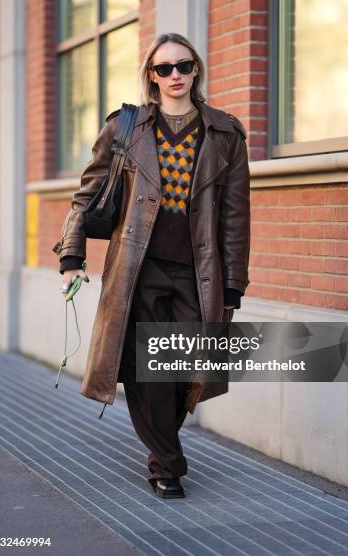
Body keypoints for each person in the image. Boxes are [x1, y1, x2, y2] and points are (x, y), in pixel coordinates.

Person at [54, 32, 250, 499]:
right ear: (151, 76)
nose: (175, 76)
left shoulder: (224, 133)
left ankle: (165, 450)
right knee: (147, 372)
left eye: (183, 66)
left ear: (196, 69)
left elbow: (236, 213)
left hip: (198, 274)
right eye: (164, 69)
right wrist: (71, 255)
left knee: (184, 370)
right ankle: (167, 464)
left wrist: (234, 283)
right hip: (136, 268)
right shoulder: (126, 128)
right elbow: (87, 193)